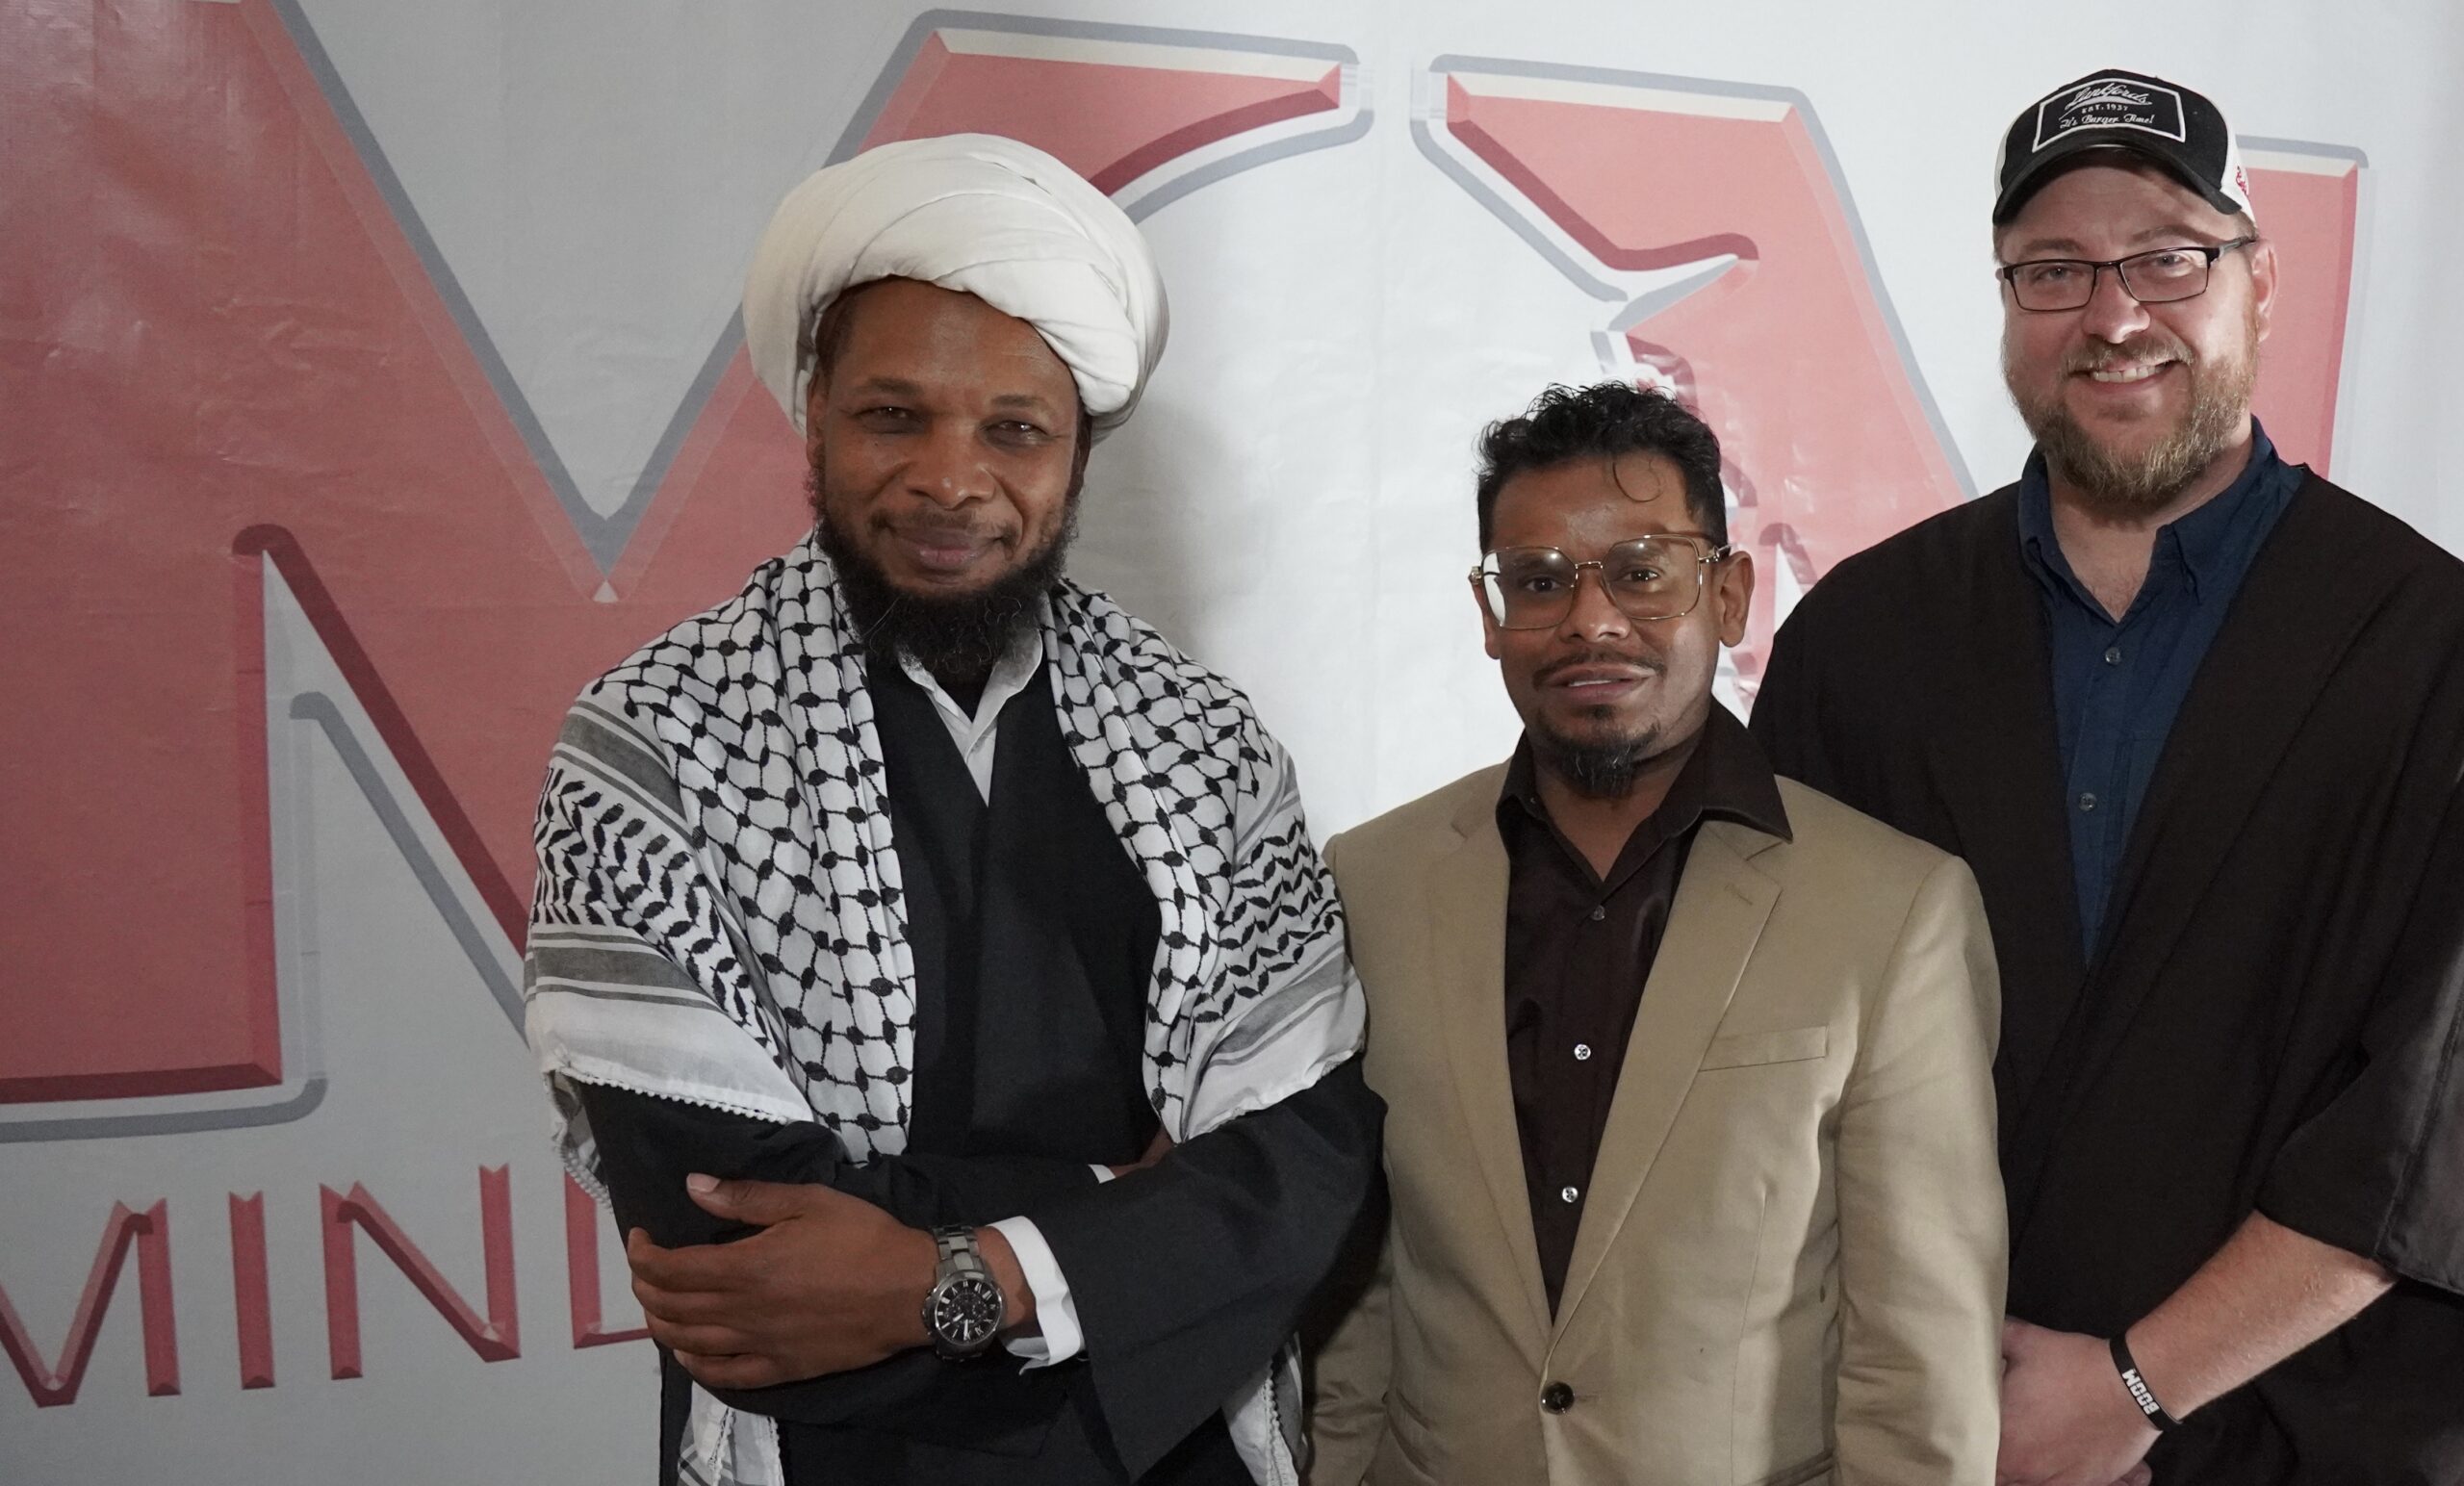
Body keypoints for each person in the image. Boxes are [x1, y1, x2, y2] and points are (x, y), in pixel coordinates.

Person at [522, 133, 1381, 1486]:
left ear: (1078, 450)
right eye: (893, 416)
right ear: (814, 413)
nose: (950, 478)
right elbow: (730, 1246)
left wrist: (952, 1277)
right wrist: (1127, 1216)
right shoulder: (654, 746)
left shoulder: (1208, 747)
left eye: (1013, 430)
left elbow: (1298, 1178)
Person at [1753, 67, 2464, 1486]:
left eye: (2167, 257)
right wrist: (1942, 1385)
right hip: (1934, 1430)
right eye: (2055, 270)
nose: (2114, 314)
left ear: (2260, 283)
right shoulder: (1863, 642)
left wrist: (2133, 1387)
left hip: (2324, 1434)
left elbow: (2432, 1108)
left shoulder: (2428, 643)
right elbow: (1774, 1060)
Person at [1305, 382, 2005, 1485]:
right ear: (1490, 615)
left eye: (1641, 571)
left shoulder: (1894, 910)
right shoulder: (1373, 881)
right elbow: (1359, 1292)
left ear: (1727, 594)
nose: (1590, 620)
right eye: (1540, 581)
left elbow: (1920, 1364)